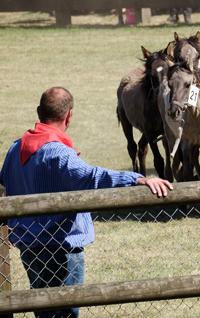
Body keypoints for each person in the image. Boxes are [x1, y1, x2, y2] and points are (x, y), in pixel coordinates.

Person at [0, 87, 172, 317]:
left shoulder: (15, 148)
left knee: (44, 312)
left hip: (30, 248)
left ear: (39, 112)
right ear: (69, 115)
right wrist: (136, 178)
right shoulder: (58, 153)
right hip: (61, 249)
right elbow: (92, 178)